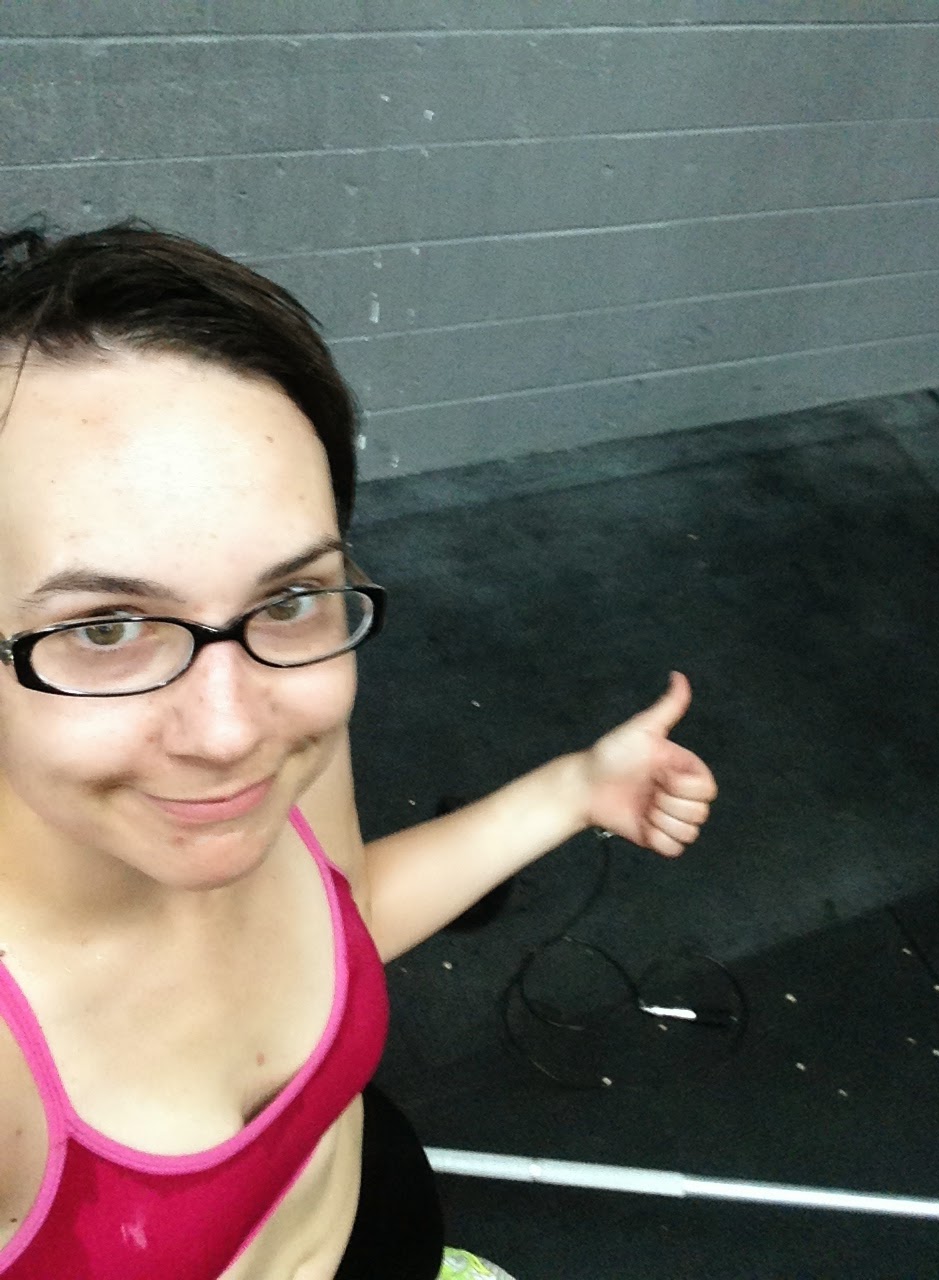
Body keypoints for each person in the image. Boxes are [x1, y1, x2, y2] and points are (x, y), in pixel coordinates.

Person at [0, 222, 717, 1280]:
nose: (232, 732)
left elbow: (347, 914)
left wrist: (572, 790)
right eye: (105, 627)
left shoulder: (288, 720)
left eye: (289, 596)